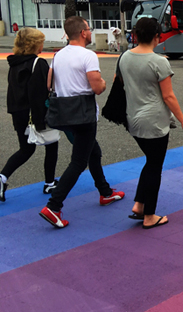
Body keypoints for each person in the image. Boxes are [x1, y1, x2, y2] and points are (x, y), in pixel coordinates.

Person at [39, 16, 124, 228]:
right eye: (89, 28)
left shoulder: (58, 56)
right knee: (78, 162)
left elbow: (50, 83)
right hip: (83, 115)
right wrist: (104, 81)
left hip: (65, 114)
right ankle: (54, 206)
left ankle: (105, 192)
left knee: (93, 152)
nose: (91, 31)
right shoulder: (88, 55)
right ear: (83, 32)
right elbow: (97, 88)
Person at [119, 17, 183, 229]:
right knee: (155, 166)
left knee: (150, 161)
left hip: (133, 118)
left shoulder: (124, 57)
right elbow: (169, 96)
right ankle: (149, 215)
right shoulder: (159, 61)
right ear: (156, 36)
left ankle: (140, 204)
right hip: (155, 121)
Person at [1, 28, 59, 201]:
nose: (43, 44)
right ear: (34, 44)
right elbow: (43, 90)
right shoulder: (38, 63)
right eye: (41, 41)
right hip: (35, 112)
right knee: (52, 143)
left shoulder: (14, 63)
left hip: (18, 112)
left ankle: (2, 177)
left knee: (26, 149)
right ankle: (49, 183)